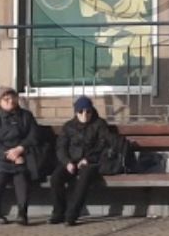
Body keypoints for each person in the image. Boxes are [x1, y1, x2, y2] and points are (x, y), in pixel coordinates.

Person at [50, 96, 120, 226]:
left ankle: (72, 215)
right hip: (71, 161)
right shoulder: (68, 126)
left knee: (84, 178)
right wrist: (67, 162)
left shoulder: (99, 124)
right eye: (81, 111)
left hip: (91, 162)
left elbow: (103, 146)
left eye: (88, 111)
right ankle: (58, 212)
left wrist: (88, 159)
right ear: (76, 112)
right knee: (56, 178)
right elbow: (61, 147)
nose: (84, 115)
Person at [0, 86, 41, 225]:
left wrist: (20, 149)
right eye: (6, 99)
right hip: (0, 156)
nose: (10, 101)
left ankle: (22, 213)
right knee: (0, 176)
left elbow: (33, 135)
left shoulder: (26, 116)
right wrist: (8, 155)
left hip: (22, 154)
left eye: (13, 98)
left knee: (21, 176)